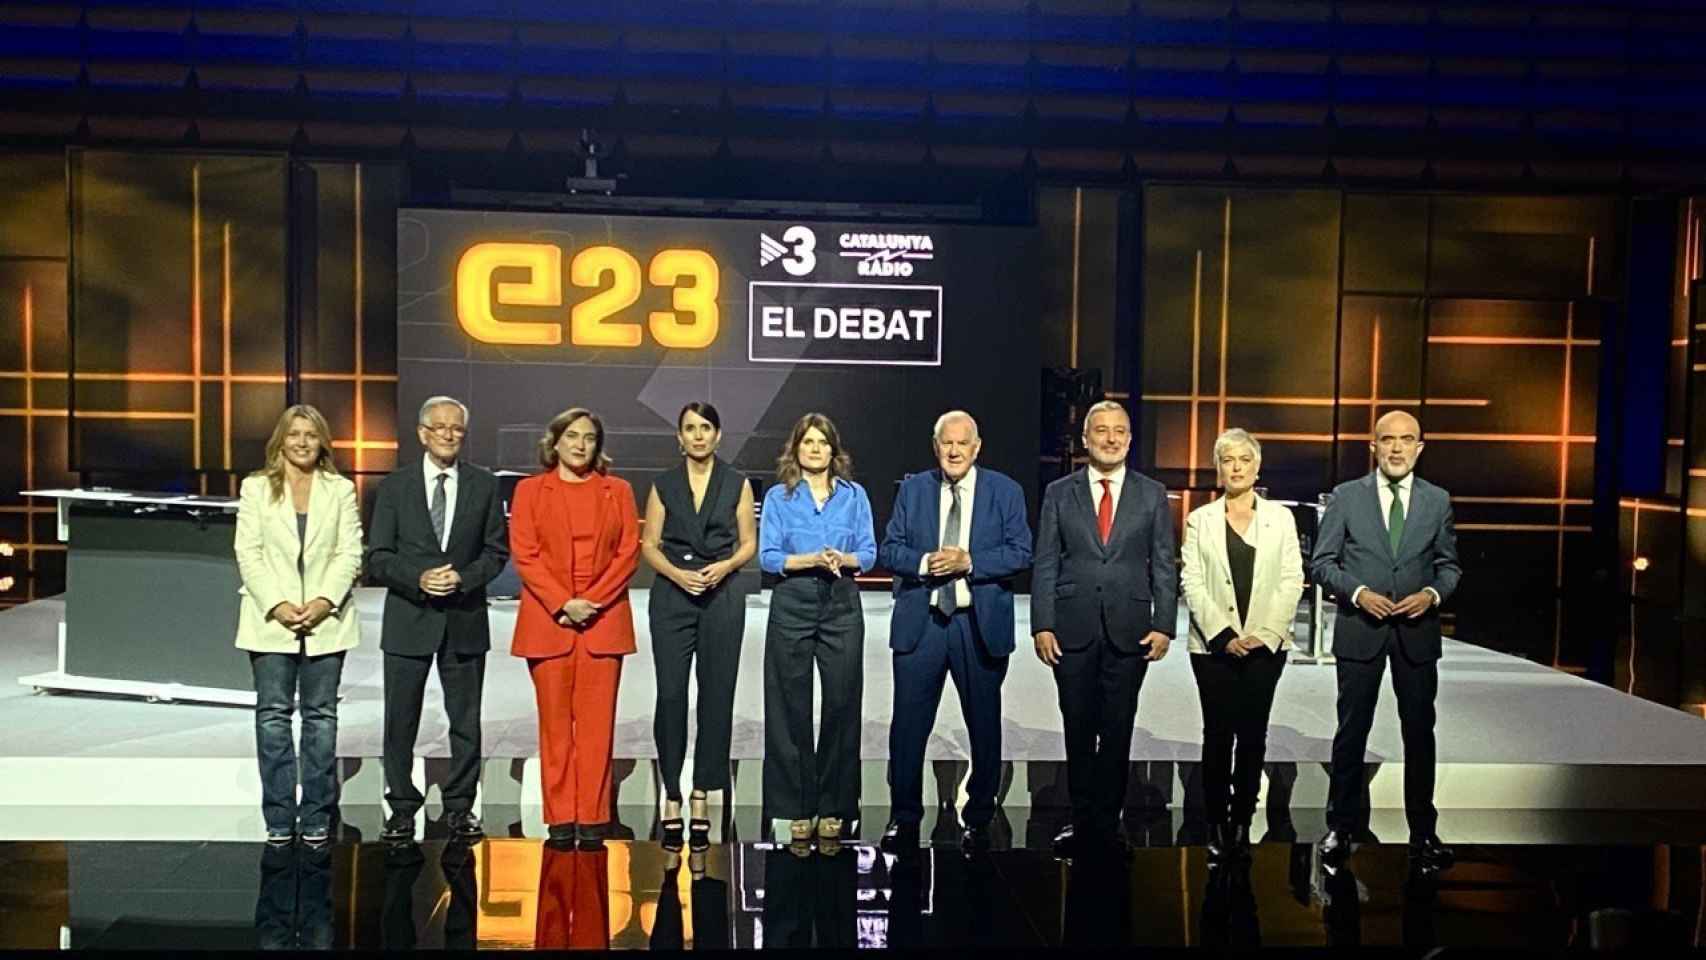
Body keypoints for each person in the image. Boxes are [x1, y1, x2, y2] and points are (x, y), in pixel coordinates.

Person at [1311, 409, 1461, 874]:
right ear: (1372, 446)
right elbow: (1322, 563)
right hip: (1362, 630)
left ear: (1420, 447)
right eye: (1387, 440)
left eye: (1406, 439)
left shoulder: (1437, 501)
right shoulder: (1346, 497)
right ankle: (1340, 826)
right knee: (1351, 731)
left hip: (1416, 633)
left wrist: (1432, 594)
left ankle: (1423, 830)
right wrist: (1357, 593)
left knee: (1419, 733)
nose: (1396, 448)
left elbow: (1449, 566)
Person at [877, 410, 1032, 854]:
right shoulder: (913, 489)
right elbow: (891, 548)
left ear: (977, 447)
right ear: (936, 446)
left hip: (976, 623)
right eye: (947, 442)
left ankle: (980, 816)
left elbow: (1021, 551)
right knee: (908, 727)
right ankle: (903, 816)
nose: (954, 450)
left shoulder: (1005, 491)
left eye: (963, 443)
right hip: (922, 624)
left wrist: (970, 562)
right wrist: (927, 563)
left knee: (984, 726)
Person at [1031, 399, 1177, 858]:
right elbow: (1047, 561)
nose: (1110, 439)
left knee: (1118, 727)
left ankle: (1108, 821)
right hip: (1071, 629)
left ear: (1129, 440)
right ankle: (1081, 818)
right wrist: (1042, 623)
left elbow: (1164, 564)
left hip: (1130, 627)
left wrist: (1165, 624)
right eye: (1101, 431)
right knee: (1077, 726)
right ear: (1086, 439)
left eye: (1119, 431)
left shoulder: (1152, 493)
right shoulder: (1060, 492)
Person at [366, 395, 509, 844]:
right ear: (423, 433)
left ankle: (461, 806)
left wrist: (462, 579)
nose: (449, 435)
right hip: (410, 617)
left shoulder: (484, 485)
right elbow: (379, 556)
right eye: (440, 427)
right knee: (400, 719)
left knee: (465, 721)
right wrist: (419, 578)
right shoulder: (395, 487)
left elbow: (496, 552)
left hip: (463, 618)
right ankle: (402, 807)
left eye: (457, 429)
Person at [233, 404, 364, 846]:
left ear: (322, 441)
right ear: (281, 441)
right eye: (295, 434)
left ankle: (316, 815)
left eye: (311, 434)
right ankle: (278, 815)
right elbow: (247, 553)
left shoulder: (340, 489)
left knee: (320, 719)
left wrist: (325, 601)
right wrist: (279, 604)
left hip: (327, 619)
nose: (303, 442)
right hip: (271, 620)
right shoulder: (256, 488)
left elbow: (350, 552)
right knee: (272, 717)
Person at [509, 407, 640, 847]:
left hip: (602, 623)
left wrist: (593, 602)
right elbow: (524, 553)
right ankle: (561, 816)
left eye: (589, 438)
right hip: (550, 622)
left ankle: (594, 816)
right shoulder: (530, 491)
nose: (580, 445)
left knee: (597, 726)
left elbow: (627, 553)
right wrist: (564, 602)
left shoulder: (616, 490)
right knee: (555, 726)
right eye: (572, 436)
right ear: (556, 442)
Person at [1180, 428, 1304, 863]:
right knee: (1217, 733)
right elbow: (1191, 581)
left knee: (1253, 734)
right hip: (1213, 648)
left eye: (1243, 460)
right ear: (1219, 468)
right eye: (1228, 460)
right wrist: (1224, 635)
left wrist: (1265, 634)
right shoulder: (1200, 519)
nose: (1236, 467)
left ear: (1257, 467)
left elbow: (1292, 579)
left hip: (1266, 647)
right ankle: (1215, 821)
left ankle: (1241, 819)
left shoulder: (1281, 519)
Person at [640, 401, 757, 850]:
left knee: (716, 695)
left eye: (705, 427)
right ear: (680, 437)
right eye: (689, 428)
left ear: (718, 435)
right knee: (670, 694)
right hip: (672, 595)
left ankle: (702, 793)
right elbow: (649, 544)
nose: (698, 435)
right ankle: (671, 792)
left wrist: (725, 566)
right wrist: (676, 573)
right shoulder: (664, 484)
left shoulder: (736, 482)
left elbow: (749, 544)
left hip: (721, 595)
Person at [758, 413, 877, 846]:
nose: (814, 449)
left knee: (842, 704)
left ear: (833, 451)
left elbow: (868, 551)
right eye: (807, 442)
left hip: (841, 601)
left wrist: (842, 559)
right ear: (796, 449)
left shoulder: (854, 496)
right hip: (793, 599)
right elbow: (768, 557)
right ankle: (795, 808)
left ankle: (836, 806)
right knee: (790, 706)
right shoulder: (778, 497)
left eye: (822, 442)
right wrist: (807, 559)